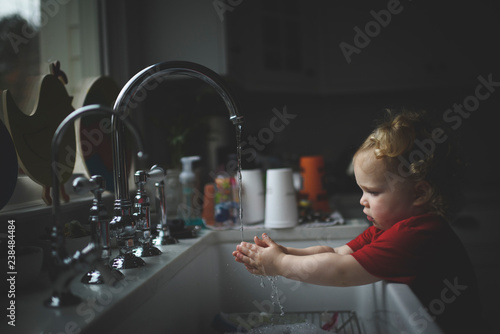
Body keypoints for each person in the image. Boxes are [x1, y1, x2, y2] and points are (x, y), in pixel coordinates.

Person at [233, 109, 483, 333]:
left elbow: (341, 271)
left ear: (419, 193)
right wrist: (286, 252)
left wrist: (279, 264)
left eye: (373, 192)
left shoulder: (418, 234)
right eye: (362, 191)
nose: (363, 200)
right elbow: (335, 253)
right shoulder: (385, 229)